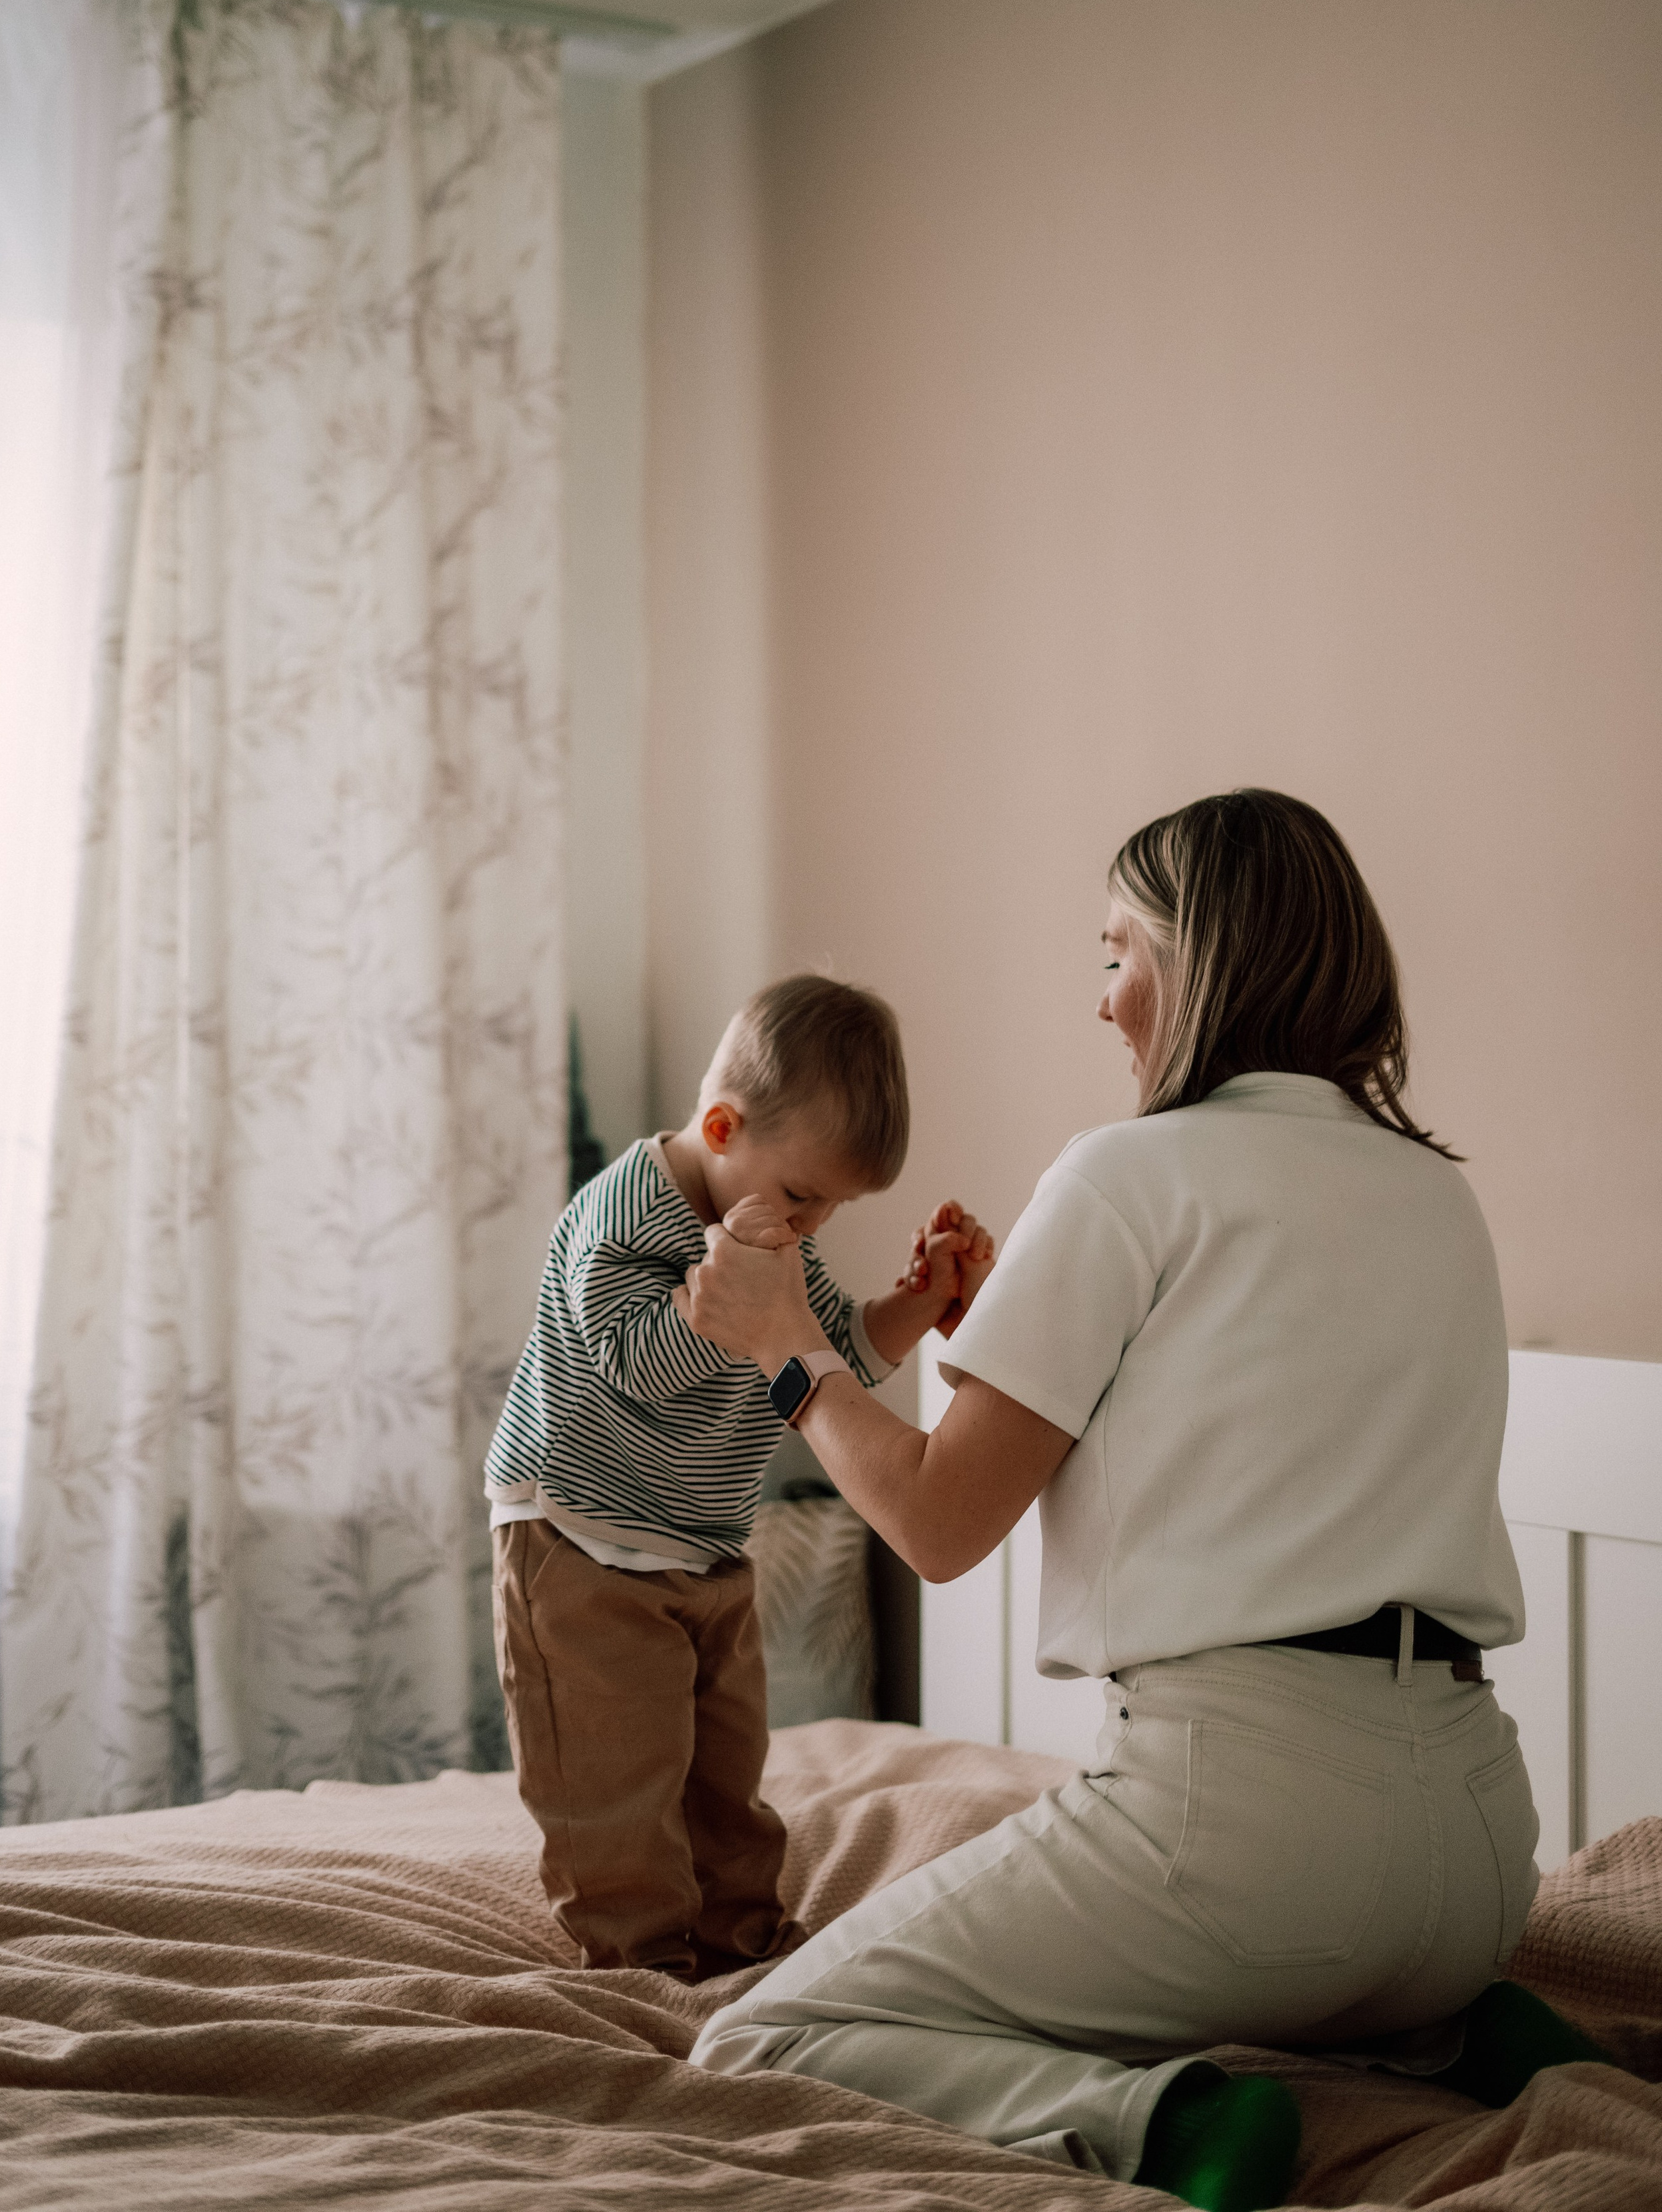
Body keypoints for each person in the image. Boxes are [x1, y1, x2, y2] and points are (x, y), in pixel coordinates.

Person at [682, 794, 1607, 2212]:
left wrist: (782, 1355)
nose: (1102, 999)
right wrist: (994, 1340)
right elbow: (1246, 1432)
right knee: (1352, 1939)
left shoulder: (1124, 1173)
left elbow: (936, 1527)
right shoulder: (1430, 1194)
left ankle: (1158, 2125)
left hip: (1244, 1836)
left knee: (761, 2032)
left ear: (1202, 965)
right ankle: (1443, 2030)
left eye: (1118, 950)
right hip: (1476, 1854)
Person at [486, 972, 994, 1981]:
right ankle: (638, 1964)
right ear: (722, 1126)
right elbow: (635, 1364)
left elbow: (829, 1347)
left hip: (706, 1549)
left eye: (835, 1208)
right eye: (805, 1194)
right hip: (578, 1543)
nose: (813, 1226)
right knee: (612, 1781)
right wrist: (733, 1284)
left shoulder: (774, 1230)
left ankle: (742, 1940)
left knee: (727, 1769)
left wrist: (919, 1298)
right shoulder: (624, 1214)